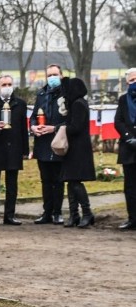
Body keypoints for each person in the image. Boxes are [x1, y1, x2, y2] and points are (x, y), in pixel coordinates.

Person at [0, 74, 29, 226]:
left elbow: (23, 128)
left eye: (9, 84)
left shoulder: (20, 104)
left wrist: (25, 150)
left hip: (14, 148)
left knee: (12, 184)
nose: (7, 87)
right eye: (4, 84)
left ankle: (10, 215)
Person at [30, 65, 66, 225]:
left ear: (61, 75)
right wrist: (33, 127)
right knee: (45, 180)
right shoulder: (41, 94)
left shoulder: (66, 95)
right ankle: (47, 212)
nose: (52, 77)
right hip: (43, 143)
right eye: (49, 75)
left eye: (55, 74)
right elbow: (33, 117)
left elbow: (70, 120)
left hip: (58, 142)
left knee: (58, 180)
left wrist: (54, 128)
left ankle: (58, 212)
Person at [58, 77, 96, 228]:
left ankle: (87, 212)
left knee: (75, 182)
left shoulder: (78, 104)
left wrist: (59, 129)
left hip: (78, 149)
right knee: (71, 180)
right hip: (74, 148)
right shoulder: (77, 103)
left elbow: (76, 127)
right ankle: (74, 214)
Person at [114, 68, 136, 230]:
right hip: (129, 149)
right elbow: (118, 121)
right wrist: (128, 137)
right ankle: (132, 218)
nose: (134, 83)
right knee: (130, 187)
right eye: (132, 80)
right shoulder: (123, 100)